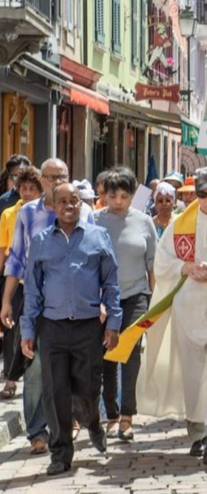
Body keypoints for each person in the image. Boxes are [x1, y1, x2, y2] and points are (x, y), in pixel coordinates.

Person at [106, 166, 207, 466]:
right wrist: (187, 267)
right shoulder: (179, 225)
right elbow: (163, 262)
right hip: (187, 311)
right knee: (193, 376)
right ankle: (198, 430)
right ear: (195, 194)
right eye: (202, 195)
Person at [20, 183, 120, 476]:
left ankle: (92, 421)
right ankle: (61, 452)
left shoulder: (98, 237)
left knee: (88, 387)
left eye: (73, 200)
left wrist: (113, 322)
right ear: (52, 205)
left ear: (81, 204)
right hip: (51, 328)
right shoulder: (40, 241)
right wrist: (28, 330)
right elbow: (33, 292)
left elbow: (111, 284)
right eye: (61, 200)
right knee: (55, 391)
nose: (68, 205)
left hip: (88, 326)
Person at [1, 158, 92, 455]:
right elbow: (15, 259)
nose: (54, 181)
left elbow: (95, 256)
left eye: (61, 175)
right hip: (35, 299)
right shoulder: (27, 213)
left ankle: (66, 420)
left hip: (75, 300)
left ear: (70, 176)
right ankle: (37, 432)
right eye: (50, 177)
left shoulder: (85, 211)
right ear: (42, 181)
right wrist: (6, 300)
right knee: (36, 366)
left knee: (70, 364)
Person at [95, 168, 157, 442]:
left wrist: (155, 300)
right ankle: (111, 414)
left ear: (133, 196)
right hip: (103, 298)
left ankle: (127, 417)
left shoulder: (144, 222)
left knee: (130, 352)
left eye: (124, 196)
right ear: (104, 195)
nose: (118, 201)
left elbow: (152, 266)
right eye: (113, 195)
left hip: (136, 295)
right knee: (107, 354)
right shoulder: (95, 221)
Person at [0, 166, 42, 400]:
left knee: (27, 332)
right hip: (17, 280)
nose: (27, 193)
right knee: (14, 331)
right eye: (23, 188)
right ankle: (12, 378)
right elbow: (6, 251)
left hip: (41, 285)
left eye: (32, 189)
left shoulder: (48, 213)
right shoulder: (9, 214)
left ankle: (19, 378)